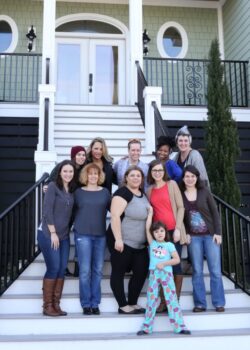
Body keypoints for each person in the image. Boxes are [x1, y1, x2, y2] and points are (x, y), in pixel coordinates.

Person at [179, 165, 225, 312]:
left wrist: (218, 232)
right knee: (197, 270)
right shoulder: (180, 194)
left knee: (215, 270)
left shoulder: (204, 191)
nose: (190, 179)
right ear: (183, 178)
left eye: (193, 176)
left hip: (210, 236)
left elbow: (215, 213)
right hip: (194, 238)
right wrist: (185, 232)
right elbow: (180, 216)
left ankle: (219, 302)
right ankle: (200, 303)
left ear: (197, 178)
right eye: (187, 176)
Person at [107, 165, 150, 314]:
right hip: (122, 241)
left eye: (138, 175)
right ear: (126, 178)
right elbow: (114, 216)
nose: (135, 178)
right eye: (132, 175)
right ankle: (122, 305)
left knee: (141, 272)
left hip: (140, 244)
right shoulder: (122, 193)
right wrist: (118, 239)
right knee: (118, 272)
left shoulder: (143, 194)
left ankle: (133, 302)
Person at [137, 219, 191, 336]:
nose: (159, 233)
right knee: (151, 300)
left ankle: (179, 326)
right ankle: (146, 327)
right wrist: (150, 213)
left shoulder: (169, 245)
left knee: (172, 299)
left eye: (161, 231)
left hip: (166, 274)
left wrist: (164, 264)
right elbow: (147, 229)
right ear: (153, 234)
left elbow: (176, 260)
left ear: (165, 232)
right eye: (156, 232)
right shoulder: (152, 244)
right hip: (154, 274)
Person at [147, 159, 187, 312]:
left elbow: (181, 207)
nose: (157, 173)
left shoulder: (172, 185)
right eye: (154, 170)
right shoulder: (149, 190)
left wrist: (177, 229)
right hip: (159, 235)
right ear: (151, 173)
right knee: (160, 268)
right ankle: (163, 302)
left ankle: (173, 302)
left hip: (172, 231)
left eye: (160, 170)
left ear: (164, 172)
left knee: (175, 266)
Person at [37, 160, 76, 317]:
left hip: (64, 235)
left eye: (71, 172)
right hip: (48, 233)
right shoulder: (53, 186)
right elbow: (47, 211)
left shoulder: (72, 190)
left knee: (61, 269)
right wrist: (53, 233)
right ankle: (47, 306)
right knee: (53, 267)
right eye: (65, 171)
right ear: (60, 172)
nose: (68, 174)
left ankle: (56, 305)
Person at [73, 163, 111, 315]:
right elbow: (69, 209)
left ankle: (95, 303)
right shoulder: (78, 193)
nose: (93, 176)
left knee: (98, 270)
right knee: (84, 271)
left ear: (99, 175)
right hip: (82, 234)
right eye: (90, 174)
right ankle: (85, 303)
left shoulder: (106, 193)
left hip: (100, 235)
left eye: (96, 173)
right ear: (85, 176)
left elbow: (115, 212)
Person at [44, 145, 86, 278]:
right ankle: (49, 299)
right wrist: (46, 186)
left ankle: (55, 298)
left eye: (83, 155)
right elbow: (50, 181)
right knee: (55, 267)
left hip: (68, 217)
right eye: (78, 154)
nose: (81, 157)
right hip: (54, 223)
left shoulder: (83, 171)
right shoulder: (62, 170)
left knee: (61, 267)